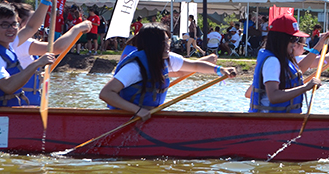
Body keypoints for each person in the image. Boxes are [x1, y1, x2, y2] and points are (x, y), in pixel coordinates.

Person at [100, 24, 237, 121]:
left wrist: (220, 70)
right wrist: (137, 111)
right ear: (152, 45)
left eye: (168, 41)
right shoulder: (135, 67)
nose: (168, 45)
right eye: (163, 42)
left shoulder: (167, 58)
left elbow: (194, 65)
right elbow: (106, 93)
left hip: (148, 115)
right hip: (126, 117)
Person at [0, 3, 55, 106]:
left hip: (4, 114)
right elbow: (8, 87)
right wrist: (36, 64)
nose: (11, 29)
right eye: (5, 25)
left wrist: (47, 0)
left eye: (14, 24)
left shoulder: (8, 45)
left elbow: (31, 27)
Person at [248, 14, 324, 113]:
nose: (295, 44)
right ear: (281, 39)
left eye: (296, 40)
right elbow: (273, 96)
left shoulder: (283, 58)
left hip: (283, 119)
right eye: (293, 39)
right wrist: (305, 88)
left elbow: (300, 68)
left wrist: (320, 44)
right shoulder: (272, 61)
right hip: (270, 121)